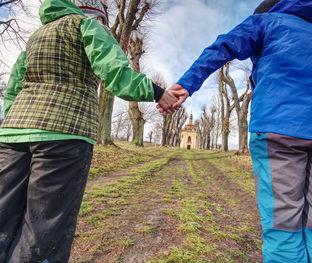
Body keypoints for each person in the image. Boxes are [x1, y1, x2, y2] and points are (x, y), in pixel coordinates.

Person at [159, 0, 312, 262]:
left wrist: (185, 85)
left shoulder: (266, 22)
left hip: (280, 130)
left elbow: (222, 46)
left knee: (284, 229)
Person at [0, 0, 178, 262]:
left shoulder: (37, 36)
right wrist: (157, 92)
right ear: (97, 18)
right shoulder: (88, 27)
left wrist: (14, 124)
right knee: (43, 231)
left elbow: (14, 89)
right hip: (63, 136)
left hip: (13, 136)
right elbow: (116, 74)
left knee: (3, 217)